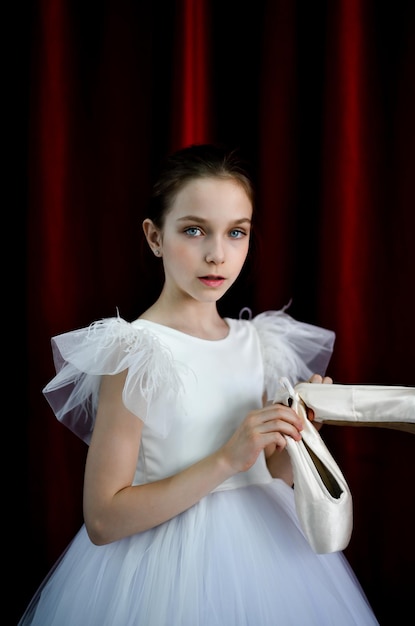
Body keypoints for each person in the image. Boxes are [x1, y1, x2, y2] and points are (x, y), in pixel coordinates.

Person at [19, 143, 380, 625]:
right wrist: (227, 458)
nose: (217, 254)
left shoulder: (259, 343)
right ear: (154, 237)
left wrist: (296, 440)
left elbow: (269, 473)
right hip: (163, 572)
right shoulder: (138, 352)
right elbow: (103, 519)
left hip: (271, 556)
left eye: (237, 233)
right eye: (194, 230)